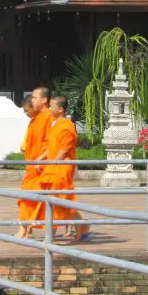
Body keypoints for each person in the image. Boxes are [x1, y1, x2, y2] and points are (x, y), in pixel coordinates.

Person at [39, 96, 90, 243]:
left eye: (51, 106)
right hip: (52, 167)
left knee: (56, 199)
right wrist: (40, 159)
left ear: (60, 109)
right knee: (59, 200)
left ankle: (51, 238)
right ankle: (82, 224)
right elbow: (50, 146)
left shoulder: (67, 124)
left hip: (61, 168)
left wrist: (55, 162)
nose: (49, 109)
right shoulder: (54, 124)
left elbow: (64, 148)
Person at [15, 86, 53, 238]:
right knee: (27, 197)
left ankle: (25, 228)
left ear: (44, 100)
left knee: (37, 198)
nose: (33, 100)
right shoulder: (34, 120)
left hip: (43, 167)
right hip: (32, 167)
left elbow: (52, 143)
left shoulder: (50, 118)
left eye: (35, 97)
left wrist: (41, 159)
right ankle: (26, 227)